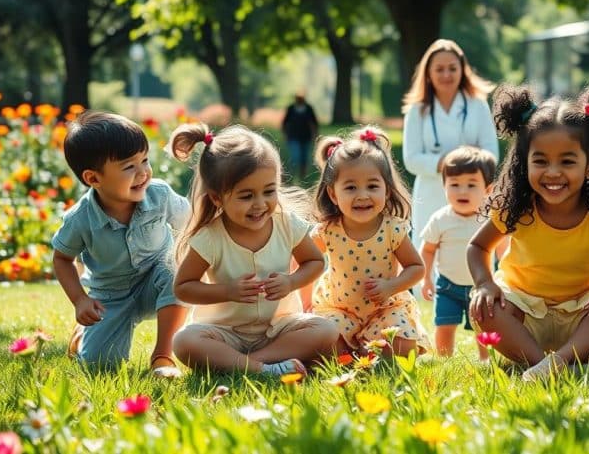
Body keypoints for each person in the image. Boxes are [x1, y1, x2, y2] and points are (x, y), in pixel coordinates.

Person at [467, 84, 589, 381]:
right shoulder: (516, 208)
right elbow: (478, 247)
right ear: (525, 163)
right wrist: (485, 283)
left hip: (582, 318)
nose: (552, 172)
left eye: (567, 161)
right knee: (483, 307)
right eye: (540, 161)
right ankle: (550, 368)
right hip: (524, 312)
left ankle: (557, 364)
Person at [168, 123, 338, 377]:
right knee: (183, 342)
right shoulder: (211, 237)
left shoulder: (286, 223)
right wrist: (227, 291)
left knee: (327, 331)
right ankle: (260, 367)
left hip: (279, 329)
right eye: (246, 196)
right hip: (224, 333)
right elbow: (184, 287)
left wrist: (291, 282)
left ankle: (250, 365)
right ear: (217, 198)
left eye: (269, 191)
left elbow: (314, 262)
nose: (260, 204)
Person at [50, 111, 189, 377]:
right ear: (93, 179)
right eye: (129, 167)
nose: (143, 173)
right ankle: (82, 338)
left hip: (156, 279)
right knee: (101, 366)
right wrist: (80, 300)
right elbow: (61, 258)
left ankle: (162, 357)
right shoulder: (80, 219)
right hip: (109, 297)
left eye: (145, 160)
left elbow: (192, 223)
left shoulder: (159, 195)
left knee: (176, 268)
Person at [306, 126, 430, 358]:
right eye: (351, 187)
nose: (362, 195)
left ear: (387, 191)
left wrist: (390, 287)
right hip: (339, 310)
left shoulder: (393, 229)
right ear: (333, 194)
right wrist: (304, 305)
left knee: (404, 346)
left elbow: (417, 268)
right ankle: (356, 352)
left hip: (385, 310)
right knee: (321, 343)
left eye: (372, 186)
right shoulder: (328, 231)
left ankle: (367, 351)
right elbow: (305, 263)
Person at [402, 39, 499, 248]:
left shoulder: (478, 105)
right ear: (428, 73)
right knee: (428, 247)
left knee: (473, 247)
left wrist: (467, 166)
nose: (446, 75)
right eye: (440, 69)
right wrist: (448, 163)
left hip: (472, 191)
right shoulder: (417, 110)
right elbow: (411, 159)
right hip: (430, 191)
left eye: (452, 68)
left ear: (462, 70)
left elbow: (491, 153)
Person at [420, 146, 499, 360]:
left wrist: (503, 278)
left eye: (471, 185)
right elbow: (428, 250)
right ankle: (445, 360)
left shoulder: (490, 220)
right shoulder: (440, 219)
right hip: (447, 285)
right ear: (444, 186)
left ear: (488, 189)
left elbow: (504, 250)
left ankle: (486, 360)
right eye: (454, 185)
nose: (462, 191)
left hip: (481, 286)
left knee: (483, 327)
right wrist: (426, 278)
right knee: (445, 325)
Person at [281, 92, 319, 180]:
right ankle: (291, 175)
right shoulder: (291, 108)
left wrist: (315, 134)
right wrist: (285, 134)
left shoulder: (309, 108)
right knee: (295, 156)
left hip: (306, 137)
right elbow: (285, 123)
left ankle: (303, 176)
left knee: (305, 157)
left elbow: (314, 123)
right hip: (293, 137)